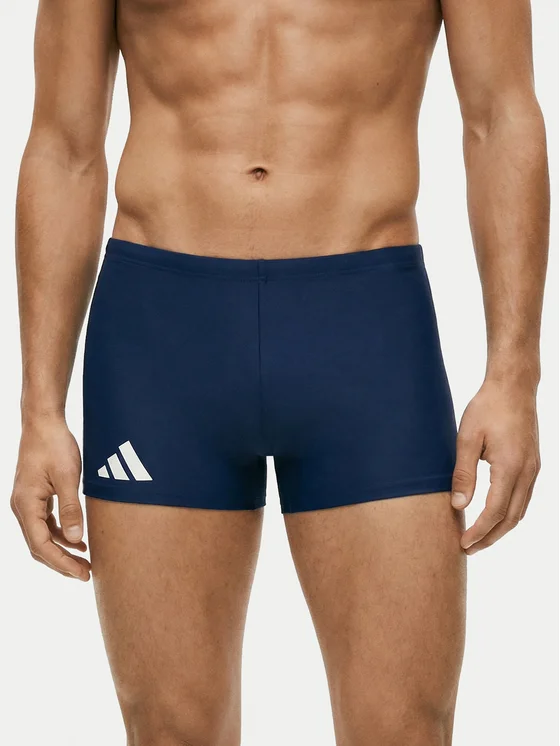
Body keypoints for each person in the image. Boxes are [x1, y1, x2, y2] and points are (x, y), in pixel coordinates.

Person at [11, 0, 549, 744]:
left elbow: (500, 117)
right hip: (162, 341)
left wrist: (515, 374)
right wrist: (39, 408)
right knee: (171, 732)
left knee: (403, 730)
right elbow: (63, 145)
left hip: (365, 333)